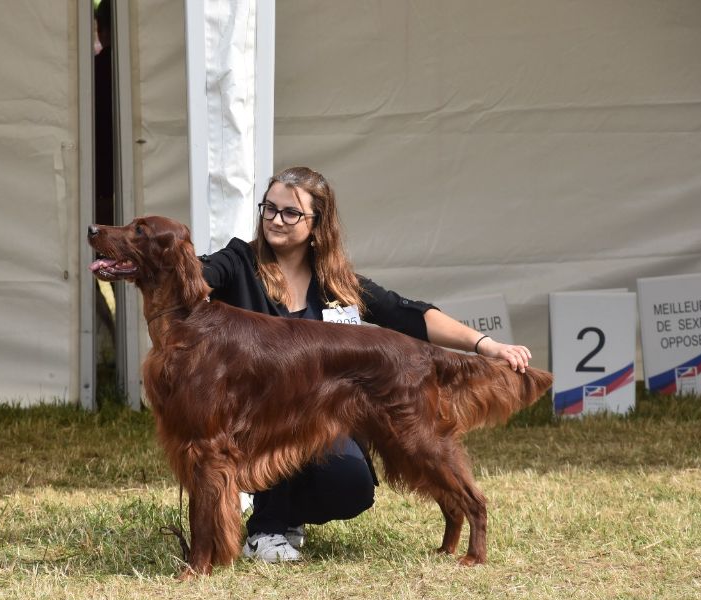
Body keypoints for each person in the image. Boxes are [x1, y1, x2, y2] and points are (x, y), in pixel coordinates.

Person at [199, 166, 532, 563]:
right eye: (269, 209)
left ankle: (286, 518)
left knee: (352, 485)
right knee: (279, 420)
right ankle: (264, 531)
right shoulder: (239, 262)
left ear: (316, 224)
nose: (275, 220)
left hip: (325, 417)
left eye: (291, 213)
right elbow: (194, 274)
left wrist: (485, 344)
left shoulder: (336, 283)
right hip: (254, 420)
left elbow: (407, 314)